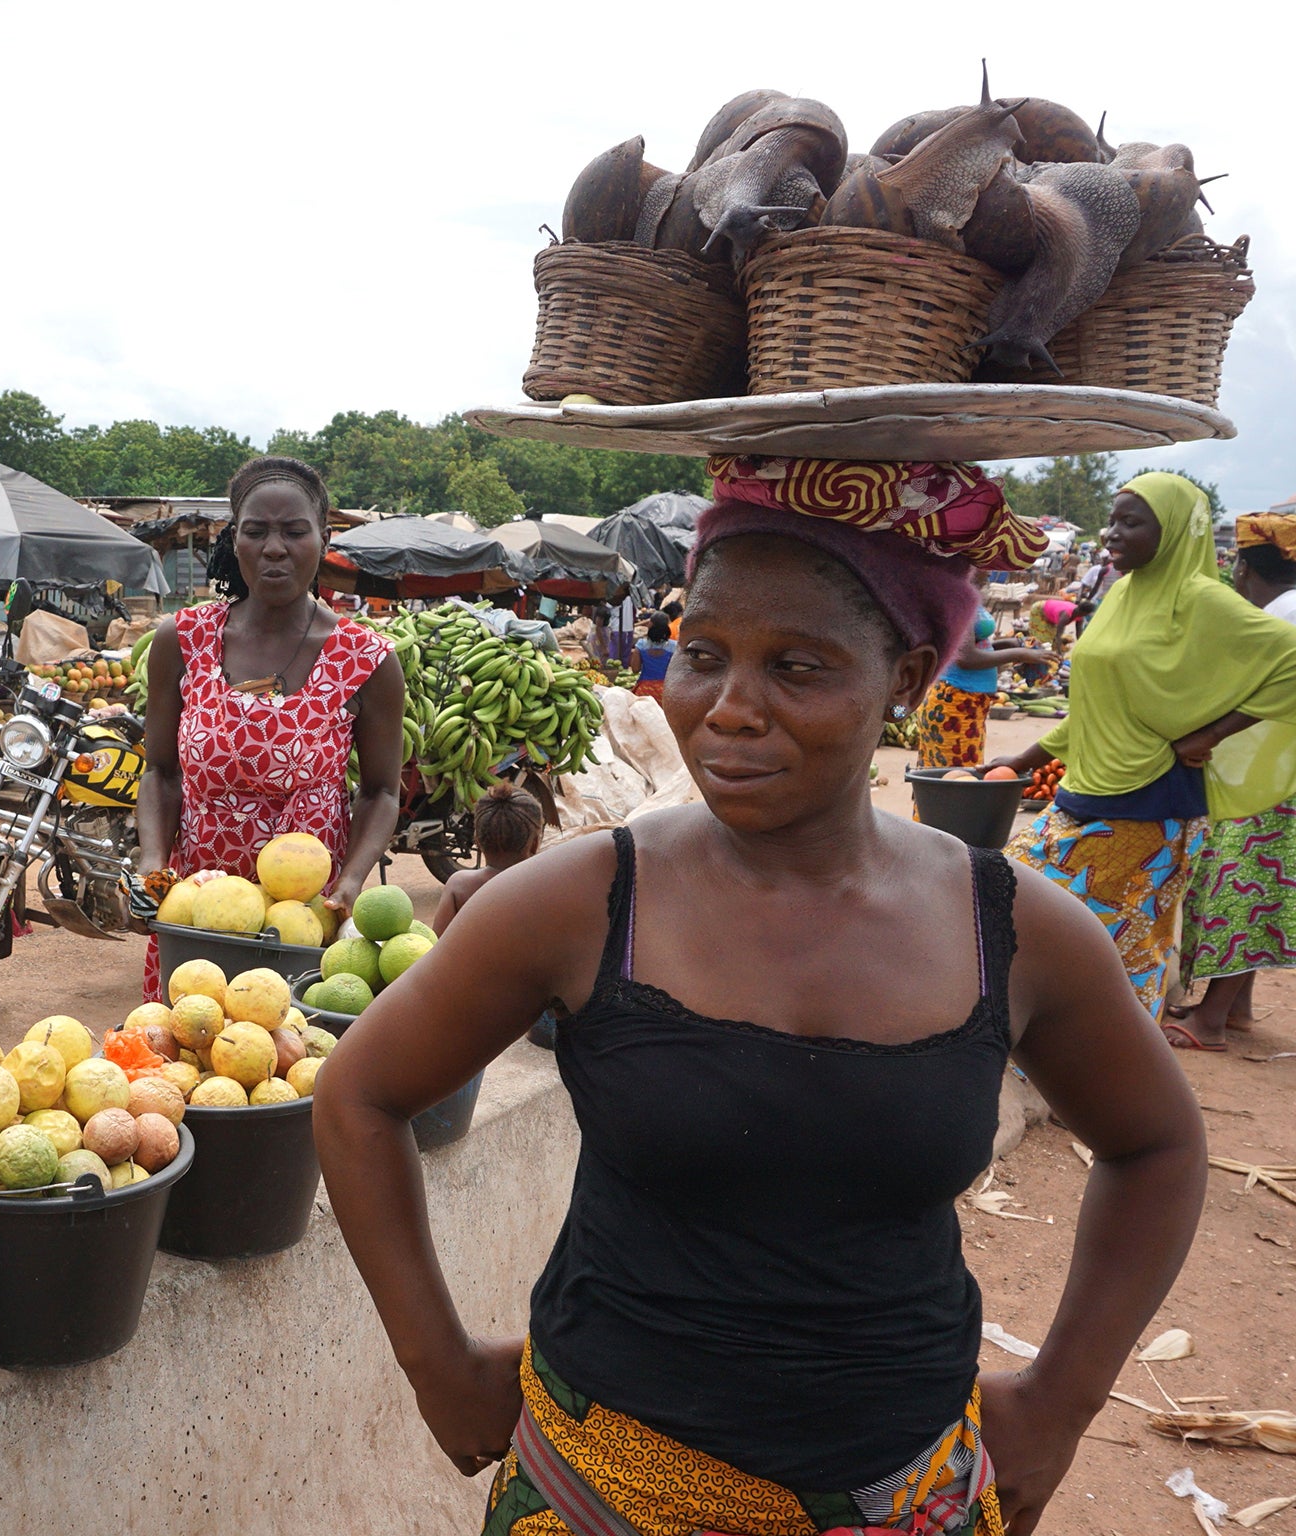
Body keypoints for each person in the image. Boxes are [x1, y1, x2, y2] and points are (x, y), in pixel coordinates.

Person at [316, 457, 1206, 1536]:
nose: (728, 710)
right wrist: (435, 1362)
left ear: (908, 677)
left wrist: (1061, 1401)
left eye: (796, 666)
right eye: (701, 655)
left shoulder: (1013, 931)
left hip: (903, 1494)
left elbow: (1155, 1145)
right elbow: (357, 1095)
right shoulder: (579, 901)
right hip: (600, 1491)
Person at [990, 474, 1296, 1029]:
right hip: (1086, 793)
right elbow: (1092, 709)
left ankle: (1114, 1077)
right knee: (1061, 921)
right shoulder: (1125, 593)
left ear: (1176, 532)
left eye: (1131, 522)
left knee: (1123, 943)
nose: (1111, 534)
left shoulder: (1201, 600)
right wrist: (1018, 761)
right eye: (1113, 520)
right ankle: (1077, 1064)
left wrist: (1211, 735)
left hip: (1151, 804)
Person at [136, 456, 405, 999]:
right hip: (197, 912)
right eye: (256, 532)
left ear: (323, 538)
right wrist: (151, 865)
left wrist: (351, 879)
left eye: (294, 531)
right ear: (234, 540)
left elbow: (380, 792)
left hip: (303, 918)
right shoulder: (182, 639)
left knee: (289, 1062)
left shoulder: (366, 658)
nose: (274, 547)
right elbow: (161, 772)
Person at [1168, 513, 1296, 1047]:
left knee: (1240, 886)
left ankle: (1212, 1022)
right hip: (1277, 772)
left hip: (1277, 782)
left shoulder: (1282, 613)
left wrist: (1211, 733)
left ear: (1241, 567)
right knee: (1260, 886)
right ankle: (1235, 1007)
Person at [433, 783, 557, 1051]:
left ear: (477, 838)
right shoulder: (547, 887)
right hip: (527, 1007)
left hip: (472, 1005)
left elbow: (437, 948)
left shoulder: (459, 885)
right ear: (535, 843)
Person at [912, 576, 1055, 770]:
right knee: (957, 778)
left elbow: (973, 645)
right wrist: (1020, 653)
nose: (990, 570)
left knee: (961, 774)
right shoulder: (957, 599)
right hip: (955, 702)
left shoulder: (968, 595)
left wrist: (1009, 645)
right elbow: (966, 658)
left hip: (968, 701)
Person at [627, 614, 675, 701]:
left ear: (650, 625)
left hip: (645, 691)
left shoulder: (641, 645)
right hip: (665, 692)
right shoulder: (674, 646)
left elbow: (635, 669)